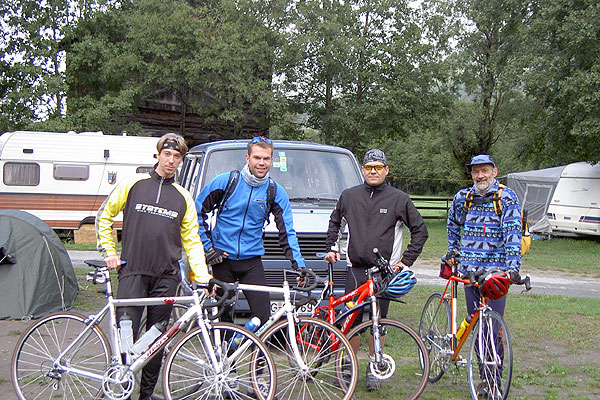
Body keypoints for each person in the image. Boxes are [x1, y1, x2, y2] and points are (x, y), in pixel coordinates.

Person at [96, 133, 211, 400]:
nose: (171, 160)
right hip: (133, 272)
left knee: (157, 341)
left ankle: (146, 395)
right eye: (167, 154)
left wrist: (203, 277)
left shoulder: (183, 197)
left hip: (166, 278)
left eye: (177, 156)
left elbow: (192, 241)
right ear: (158, 155)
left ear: (181, 161)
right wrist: (109, 252)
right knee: (127, 336)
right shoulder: (134, 183)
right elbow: (104, 215)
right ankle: (123, 390)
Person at [324, 148, 428, 391]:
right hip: (354, 270)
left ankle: (374, 367)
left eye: (378, 167)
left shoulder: (399, 199)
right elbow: (335, 222)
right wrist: (331, 247)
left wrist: (405, 261)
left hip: (383, 274)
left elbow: (420, 231)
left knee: (377, 322)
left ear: (386, 170)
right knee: (350, 322)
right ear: (362, 170)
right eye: (369, 167)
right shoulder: (349, 196)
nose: (373, 171)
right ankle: (347, 366)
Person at [195, 136, 305, 326]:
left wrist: (300, 266)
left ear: (272, 160)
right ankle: (226, 346)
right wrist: (208, 248)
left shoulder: (275, 192)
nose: (261, 163)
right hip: (222, 260)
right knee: (223, 320)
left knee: (263, 319)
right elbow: (196, 213)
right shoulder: (226, 181)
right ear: (247, 158)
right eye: (257, 157)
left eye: (266, 158)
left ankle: (245, 343)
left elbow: (287, 232)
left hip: (251, 262)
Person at [446, 154, 522, 398]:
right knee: (478, 327)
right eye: (476, 171)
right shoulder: (463, 198)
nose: (480, 176)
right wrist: (453, 249)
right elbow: (452, 223)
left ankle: (494, 381)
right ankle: (484, 380)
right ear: (471, 174)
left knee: (493, 329)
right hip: (470, 271)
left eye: (485, 171)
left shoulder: (506, 198)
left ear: (494, 172)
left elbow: (513, 234)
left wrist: (513, 268)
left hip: (496, 274)